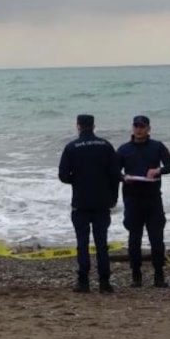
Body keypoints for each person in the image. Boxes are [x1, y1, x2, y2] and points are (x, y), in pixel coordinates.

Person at [58, 114, 119, 293]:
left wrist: (77, 180)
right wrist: (113, 197)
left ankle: (83, 281)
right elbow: (115, 175)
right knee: (102, 243)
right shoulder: (105, 145)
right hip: (102, 202)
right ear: (94, 126)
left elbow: (63, 176)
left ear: (78, 126)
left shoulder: (71, 147)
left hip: (81, 201)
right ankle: (104, 282)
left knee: (82, 243)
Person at [117, 115, 170, 288]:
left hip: (153, 199)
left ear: (148, 129)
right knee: (134, 239)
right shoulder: (124, 149)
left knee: (156, 239)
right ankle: (136, 275)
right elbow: (113, 171)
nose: (139, 129)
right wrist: (124, 177)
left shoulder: (157, 146)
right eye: (136, 126)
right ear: (132, 128)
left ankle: (159, 275)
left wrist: (158, 170)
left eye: (142, 126)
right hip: (132, 199)